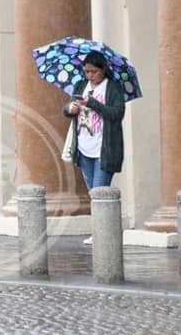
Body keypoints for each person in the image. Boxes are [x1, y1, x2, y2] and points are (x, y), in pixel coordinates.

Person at [63, 51, 125, 245]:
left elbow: (117, 113)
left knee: (99, 192)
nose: (90, 75)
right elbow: (68, 108)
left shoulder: (112, 88)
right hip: (83, 148)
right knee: (93, 194)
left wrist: (94, 103)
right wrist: (69, 109)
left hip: (104, 149)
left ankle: (102, 233)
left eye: (94, 72)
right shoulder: (81, 86)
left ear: (103, 70)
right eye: (87, 71)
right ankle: (102, 230)